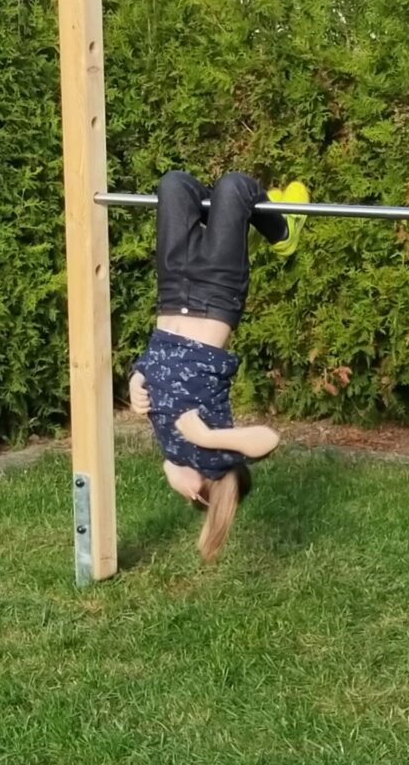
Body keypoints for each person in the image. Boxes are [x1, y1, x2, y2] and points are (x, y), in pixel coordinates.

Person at [129, 169, 309, 562]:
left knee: (173, 184)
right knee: (234, 187)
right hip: (215, 294)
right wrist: (208, 438)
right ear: (200, 491)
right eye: (187, 496)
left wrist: (136, 379)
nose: (178, 490)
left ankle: (224, 224)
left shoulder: (173, 450)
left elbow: (160, 369)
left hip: (172, 292)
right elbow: (269, 440)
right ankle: (284, 232)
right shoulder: (214, 457)